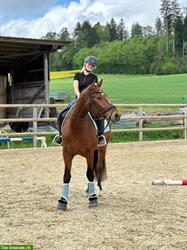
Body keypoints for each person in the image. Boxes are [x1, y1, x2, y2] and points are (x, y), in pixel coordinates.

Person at [53, 55, 106, 147]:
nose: (90, 66)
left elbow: (95, 89)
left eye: (92, 65)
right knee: (61, 113)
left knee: (99, 115)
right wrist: (79, 96)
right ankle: (60, 136)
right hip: (78, 100)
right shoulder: (77, 75)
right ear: (85, 64)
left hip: (90, 102)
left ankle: (100, 136)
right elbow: (75, 87)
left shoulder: (94, 77)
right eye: (89, 64)